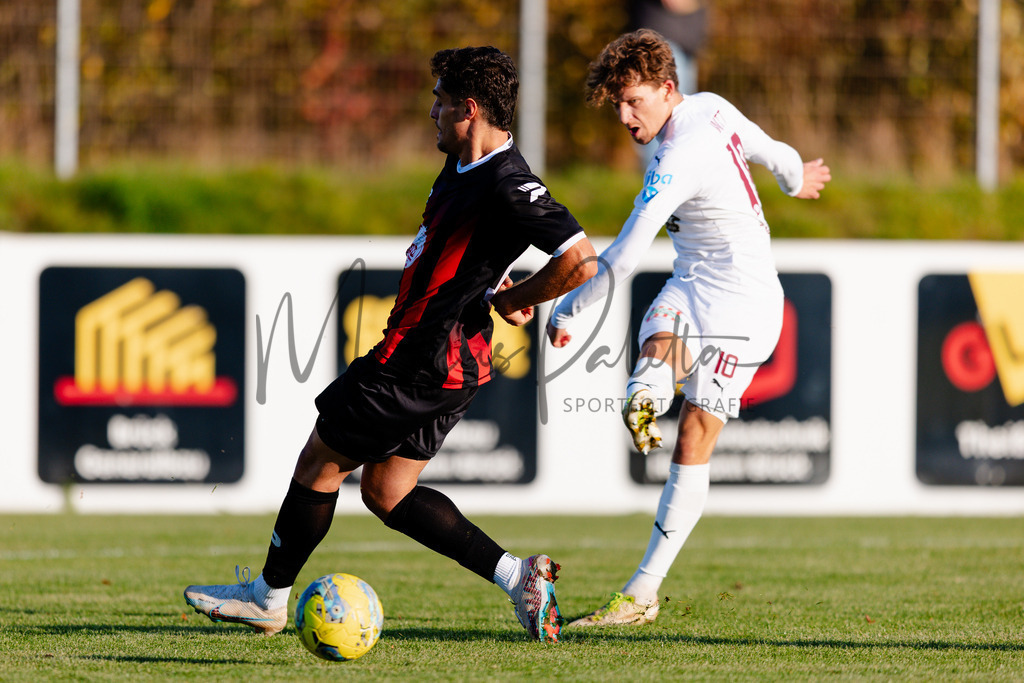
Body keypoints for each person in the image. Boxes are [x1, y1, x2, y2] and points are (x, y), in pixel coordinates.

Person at [184, 45, 597, 644]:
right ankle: (519, 576)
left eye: (440, 100)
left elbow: (581, 261)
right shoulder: (464, 164)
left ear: (469, 109)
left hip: (418, 359)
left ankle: (267, 598)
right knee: (386, 491)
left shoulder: (508, 181)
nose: (431, 110)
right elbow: (469, 250)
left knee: (319, 464)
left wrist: (512, 299)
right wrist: (493, 278)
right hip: (449, 362)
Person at [546, 29, 830, 626]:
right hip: (695, 285)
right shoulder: (710, 107)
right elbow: (772, 149)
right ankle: (647, 391)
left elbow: (623, 255)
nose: (624, 116)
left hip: (745, 307)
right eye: (618, 104)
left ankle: (642, 593)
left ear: (667, 89)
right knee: (659, 333)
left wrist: (569, 308)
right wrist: (794, 177)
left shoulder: (677, 158)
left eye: (634, 101)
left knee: (693, 435)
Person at [629, 0, 708, 169]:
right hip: (662, 41)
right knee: (664, 114)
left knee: (681, 116)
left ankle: (667, 176)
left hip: (684, 44)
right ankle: (658, 175)